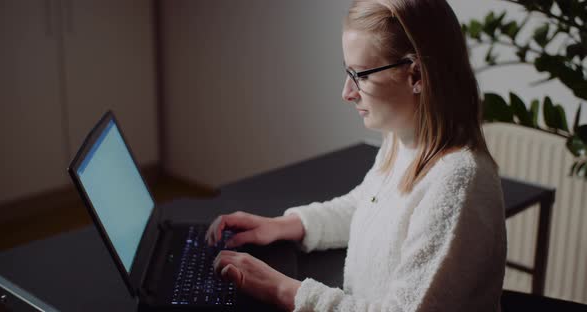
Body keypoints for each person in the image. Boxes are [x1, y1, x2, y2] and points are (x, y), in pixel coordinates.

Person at [206, 0, 507, 311]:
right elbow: (369, 207)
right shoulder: (404, 139)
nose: (347, 92)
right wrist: (286, 225)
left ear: (417, 76)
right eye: (348, 72)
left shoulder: (458, 181)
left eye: (361, 75)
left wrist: (283, 289)